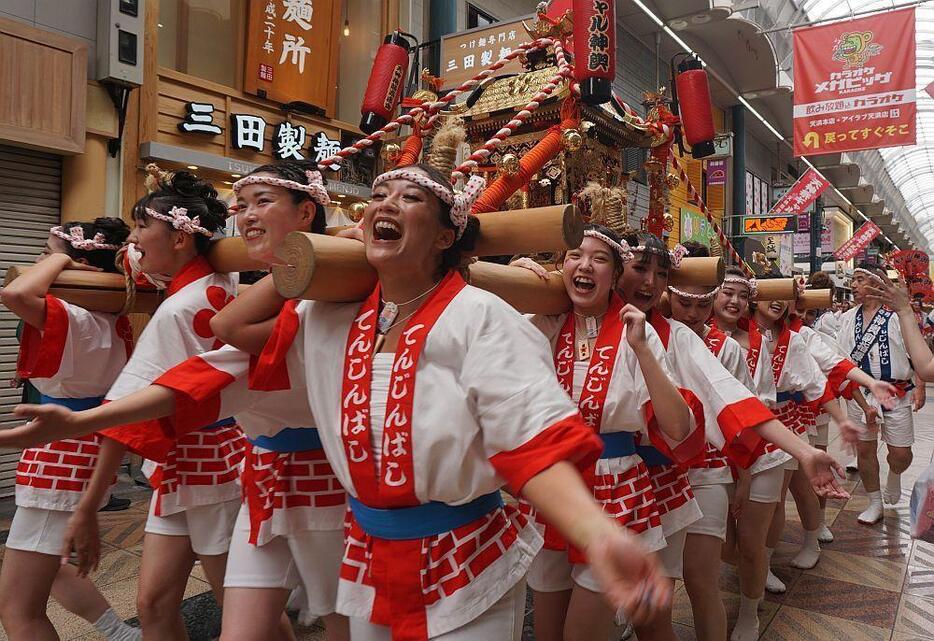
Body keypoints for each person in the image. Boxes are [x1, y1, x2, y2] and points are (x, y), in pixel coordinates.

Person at [1, 164, 673, 641]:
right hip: (368, 551)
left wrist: (599, 535)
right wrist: (83, 420)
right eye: (377, 192)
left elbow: (533, 446)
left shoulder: (480, 315)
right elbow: (213, 361)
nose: (384, 201)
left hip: (464, 557)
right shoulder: (325, 317)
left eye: (409, 196)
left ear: (445, 236)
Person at [37, 170, 242, 640]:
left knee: (246, 611)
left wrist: (87, 507)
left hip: (208, 465)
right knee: (152, 604)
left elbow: (131, 409)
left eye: (141, 227)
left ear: (180, 237)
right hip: (200, 459)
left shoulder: (179, 307)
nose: (132, 239)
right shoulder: (219, 278)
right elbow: (138, 259)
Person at [157, 161, 348, 641]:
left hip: (330, 478)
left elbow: (227, 334)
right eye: (241, 206)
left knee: (347, 629)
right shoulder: (267, 290)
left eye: (263, 201)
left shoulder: (339, 293)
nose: (246, 216)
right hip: (262, 472)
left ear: (307, 213)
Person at [667, 246, 848, 641]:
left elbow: (750, 408)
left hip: (750, 451)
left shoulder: (738, 347)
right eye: (722, 294)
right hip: (682, 464)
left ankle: (749, 611)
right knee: (718, 552)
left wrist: (750, 471)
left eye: (740, 295)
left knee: (745, 544)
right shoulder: (657, 331)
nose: (731, 301)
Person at [523, 224, 691, 641]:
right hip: (554, 487)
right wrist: (518, 283)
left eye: (599, 259)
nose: (584, 266)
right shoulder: (540, 323)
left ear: (615, 275)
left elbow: (678, 427)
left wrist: (642, 350)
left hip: (616, 486)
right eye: (574, 256)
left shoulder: (639, 331)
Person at [0, 219, 141, 641]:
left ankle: (119, 632)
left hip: (61, 453)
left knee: (17, 609)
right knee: (54, 566)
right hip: (78, 449)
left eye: (47, 253)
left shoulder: (76, 316)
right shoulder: (108, 319)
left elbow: (16, 293)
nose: (40, 262)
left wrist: (63, 256)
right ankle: (118, 632)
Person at [839, 263, 924, 524]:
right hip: (861, 394)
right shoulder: (846, 319)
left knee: (901, 454)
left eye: (860, 279)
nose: (853, 286)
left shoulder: (898, 316)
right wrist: (864, 405)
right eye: (853, 280)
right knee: (865, 451)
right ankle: (874, 502)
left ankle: (895, 475)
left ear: (877, 283)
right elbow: (843, 365)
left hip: (896, 392)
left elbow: (917, 354)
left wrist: (919, 385)